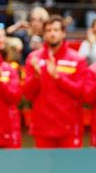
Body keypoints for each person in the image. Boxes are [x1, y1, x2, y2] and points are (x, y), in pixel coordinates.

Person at [22, 15, 87, 148]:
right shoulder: (33, 58)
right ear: (44, 34)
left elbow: (80, 92)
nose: (52, 34)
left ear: (63, 33)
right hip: (42, 127)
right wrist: (35, 76)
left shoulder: (77, 59)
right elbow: (28, 95)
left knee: (70, 168)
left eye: (56, 30)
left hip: (69, 127)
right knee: (42, 169)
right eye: (49, 30)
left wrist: (58, 77)